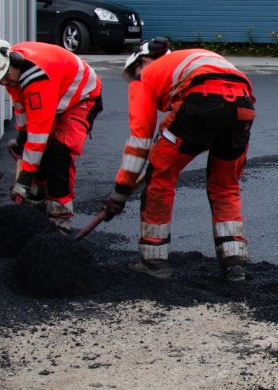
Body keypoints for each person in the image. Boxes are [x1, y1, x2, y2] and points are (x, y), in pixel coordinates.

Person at [100, 37, 255, 281]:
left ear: (145, 60)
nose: (136, 76)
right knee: (225, 184)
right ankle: (234, 264)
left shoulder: (146, 75)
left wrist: (119, 192)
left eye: (136, 69)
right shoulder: (186, 62)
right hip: (243, 103)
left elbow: (140, 139)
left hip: (199, 100)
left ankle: (154, 263)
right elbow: (220, 111)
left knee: (159, 179)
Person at [0, 37, 102, 232]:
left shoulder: (35, 77)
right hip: (54, 96)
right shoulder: (9, 70)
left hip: (81, 97)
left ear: (13, 60)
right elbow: (21, 107)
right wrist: (21, 138)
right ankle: (37, 201)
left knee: (59, 152)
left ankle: (60, 220)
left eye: (5, 77)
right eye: (0, 81)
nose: (5, 83)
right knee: (37, 150)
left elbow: (39, 133)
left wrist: (22, 181)